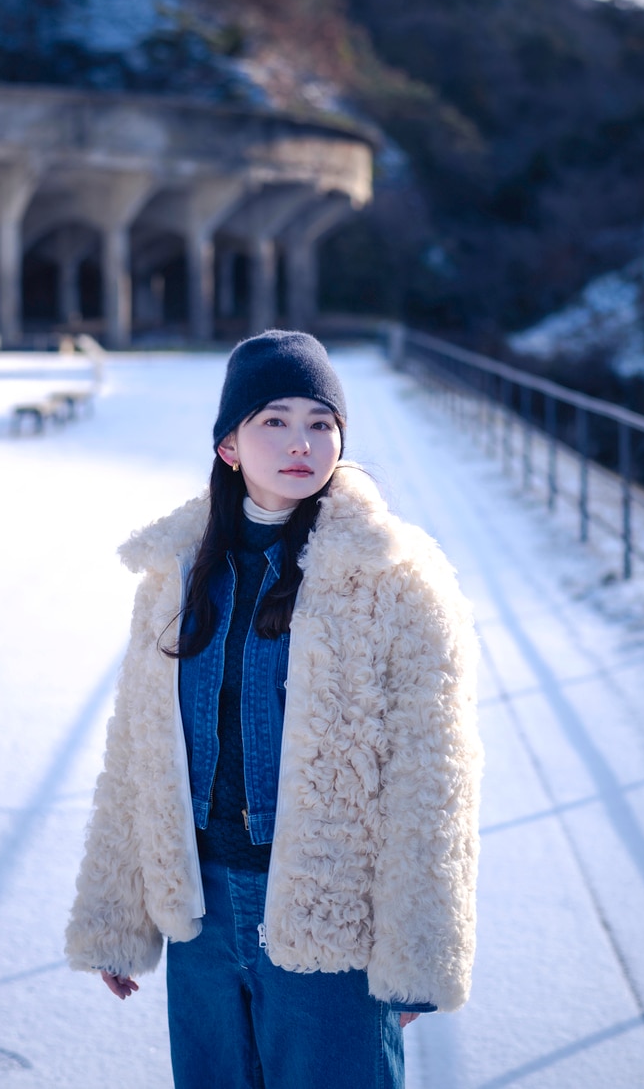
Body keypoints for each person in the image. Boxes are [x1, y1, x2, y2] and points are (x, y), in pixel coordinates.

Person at [66, 330, 482, 1089]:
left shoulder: (395, 577)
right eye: (274, 421)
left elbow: (434, 775)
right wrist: (116, 920)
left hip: (329, 920)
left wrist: (416, 949)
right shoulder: (176, 572)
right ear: (229, 445)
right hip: (200, 911)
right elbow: (137, 752)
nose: (301, 442)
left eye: (320, 423)